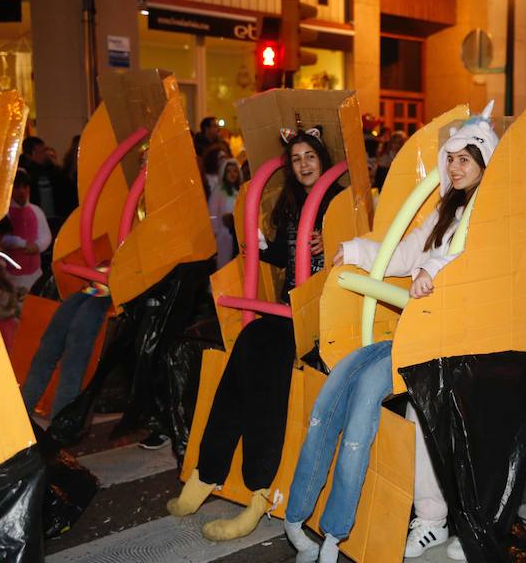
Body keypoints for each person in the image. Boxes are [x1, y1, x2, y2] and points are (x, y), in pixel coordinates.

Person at [283, 104, 499, 563]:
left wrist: (435, 271)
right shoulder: (444, 208)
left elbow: (478, 261)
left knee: (453, 433)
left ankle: (465, 523)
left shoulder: (491, 213)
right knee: (356, 391)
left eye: (466, 157)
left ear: (485, 162)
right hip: (423, 335)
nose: (456, 166)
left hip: (466, 342)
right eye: (452, 157)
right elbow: (404, 252)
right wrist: (356, 250)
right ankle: (315, 517)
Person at [166, 126, 342, 542]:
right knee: (246, 347)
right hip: (287, 309)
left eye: (310, 157)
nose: (303, 165)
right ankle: (208, 471)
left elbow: (355, 247)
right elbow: (284, 252)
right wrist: (261, 247)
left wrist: (329, 241)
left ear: (323, 159)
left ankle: (260, 491)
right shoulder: (294, 202)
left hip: (323, 315)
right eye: (296, 158)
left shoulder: (339, 201)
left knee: (271, 370)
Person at [20, 265, 112, 419]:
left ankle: (58, 421)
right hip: (93, 286)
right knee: (49, 351)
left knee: (72, 360)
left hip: (105, 288)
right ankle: (24, 411)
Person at [1, 169, 51, 296]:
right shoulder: (5, 213)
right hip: (12, 274)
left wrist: (38, 246)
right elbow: (2, 238)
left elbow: (46, 235)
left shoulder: (36, 211)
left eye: (25, 187)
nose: (22, 191)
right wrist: (22, 244)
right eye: (17, 188)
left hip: (34, 271)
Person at [208, 158, 243, 269]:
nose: (232, 174)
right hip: (224, 237)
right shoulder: (219, 191)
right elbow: (212, 214)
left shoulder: (240, 190)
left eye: (235, 171)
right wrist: (216, 233)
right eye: (229, 171)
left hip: (238, 235)